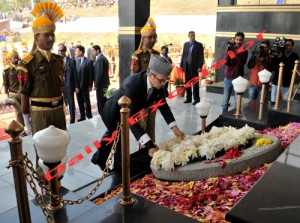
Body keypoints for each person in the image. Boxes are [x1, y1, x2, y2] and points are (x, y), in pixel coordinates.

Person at [91, 54, 185, 172]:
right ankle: (116, 166)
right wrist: (149, 146)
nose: (163, 84)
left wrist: (174, 127)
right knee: (115, 135)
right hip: (113, 111)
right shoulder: (133, 84)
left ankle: (102, 159)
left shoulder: (158, 85)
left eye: (165, 81)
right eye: (161, 80)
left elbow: (163, 105)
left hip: (128, 113)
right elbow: (132, 120)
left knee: (113, 135)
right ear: (150, 75)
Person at [17, 2, 66, 180]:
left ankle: (58, 184)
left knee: (60, 150)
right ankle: (46, 188)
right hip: (40, 114)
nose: (51, 39)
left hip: (58, 112)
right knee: (44, 154)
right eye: (47, 35)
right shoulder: (27, 63)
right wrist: (27, 121)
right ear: (37, 37)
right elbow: (24, 93)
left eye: (53, 34)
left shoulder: (58, 61)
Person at [130, 17, 160, 143]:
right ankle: (142, 152)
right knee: (142, 127)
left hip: (153, 97)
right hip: (141, 98)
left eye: (154, 37)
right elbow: (133, 78)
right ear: (143, 38)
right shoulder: (137, 55)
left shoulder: (157, 54)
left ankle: (151, 151)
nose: (153, 40)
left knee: (151, 127)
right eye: (150, 37)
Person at [222, 32, 248, 113]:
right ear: (235, 39)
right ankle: (224, 117)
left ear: (243, 40)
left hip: (238, 80)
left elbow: (242, 63)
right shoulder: (230, 49)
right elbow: (227, 62)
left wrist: (236, 53)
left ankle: (236, 117)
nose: (238, 42)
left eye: (240, 40)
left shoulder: (244, 51)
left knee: (238, 102)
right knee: (225, 101)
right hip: (228, 78)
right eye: (237, 39)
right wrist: (229, 51)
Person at [2, 50, 26, 136]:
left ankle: (28, 126)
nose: (16, 59)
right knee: (19, 111)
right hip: (13, 95)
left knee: (26, 110)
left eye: (17, 57)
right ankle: (22, 130)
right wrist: (6, 97)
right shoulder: (7, 71)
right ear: (10, 59)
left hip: (23, 93)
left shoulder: (22, 68)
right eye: (14, 58)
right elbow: (5, 84)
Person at [269, 38, 299, 103]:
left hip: (287, 84)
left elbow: (290, 67)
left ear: (292, 46)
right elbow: (271, 68)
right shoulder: (278, 54)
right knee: (273, 102)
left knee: (285, 104)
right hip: (276, 82)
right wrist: (273, 57)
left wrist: (282, 57)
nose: (286, 47)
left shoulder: (295, 56)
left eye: (288, 45)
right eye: (285, 45)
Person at [180, 31, 204, 105]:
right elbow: (183, 55)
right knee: (187, 83)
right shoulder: (186, 44)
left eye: (194, 35)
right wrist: (181, 65)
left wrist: (200, 66)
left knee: (195, 84)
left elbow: (201, 56)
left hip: (195, 67)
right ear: (188, 36)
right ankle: (188, 98)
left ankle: (196, 99)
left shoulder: (199, 45)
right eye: (191, 35)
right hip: (186, 67)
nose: (193, 37)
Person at [57, 43, 79, 123]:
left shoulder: (71, 61)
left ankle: (72, 121)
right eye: (59, 51)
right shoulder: (55, 62)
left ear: (65, 51)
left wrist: (76, 86)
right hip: (59, 88)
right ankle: (62, 122)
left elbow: (75, 74)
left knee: (71, 104)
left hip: (69, 86)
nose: (60, 53)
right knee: (61, 105)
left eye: (62, 51)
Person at [74, 45, 94, 121]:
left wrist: (90, 85)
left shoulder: (88, 61)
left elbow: (91, 74)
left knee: (87, 101)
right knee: (80, 101)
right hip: (77, 86)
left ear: (81, 52)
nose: (75, 52)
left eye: (76, 51)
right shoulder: (75, 61)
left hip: (85, 86)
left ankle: (89, 115)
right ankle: (82, 116)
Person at [92, 45, 110, 115]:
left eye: (93, 51)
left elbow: (99, 73)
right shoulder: (102, 58)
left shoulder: (100, 59)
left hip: (101, 84)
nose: (92, 52)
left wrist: (96, 84)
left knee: (101, 102)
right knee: (104, 100)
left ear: (98, 50)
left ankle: (103, 116)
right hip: (104, 83)